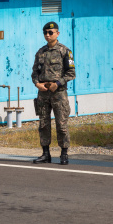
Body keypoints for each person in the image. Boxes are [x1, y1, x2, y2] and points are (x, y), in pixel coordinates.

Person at [31, 21, 76, 165]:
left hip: (58, 93)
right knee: (43, 124)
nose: (47, 35)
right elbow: (35, 72)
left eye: (51, 32)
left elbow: (71, 73)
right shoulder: (41, 52)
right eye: (45, 33)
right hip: (43, 93)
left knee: (61, 124)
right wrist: (37, 83)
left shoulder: (64, 51)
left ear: (57, 33)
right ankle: (45, 154)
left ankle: (64, 154)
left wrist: (57, 84)